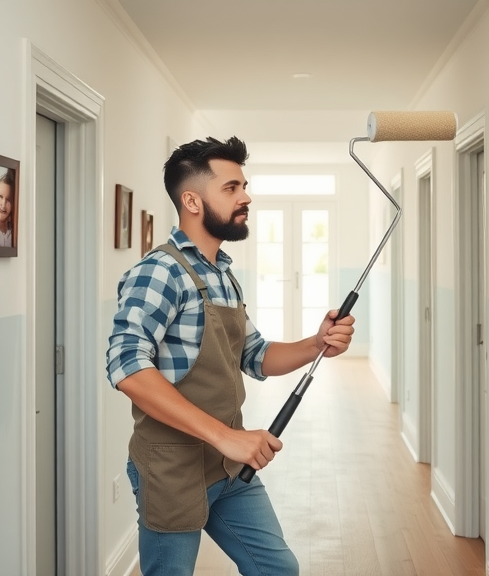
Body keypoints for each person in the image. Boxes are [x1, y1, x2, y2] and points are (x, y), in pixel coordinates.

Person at [105, 136, 355, 576]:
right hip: (172, 468)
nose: (246, 197)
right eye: (232, 188)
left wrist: (316, 343)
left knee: (278, 569)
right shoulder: (160, 271)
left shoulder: (222, 275)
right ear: (192, 200)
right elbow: (126, 365)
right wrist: (224, 435)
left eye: (244, 186)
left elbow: (255, 355)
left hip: (226, 467)